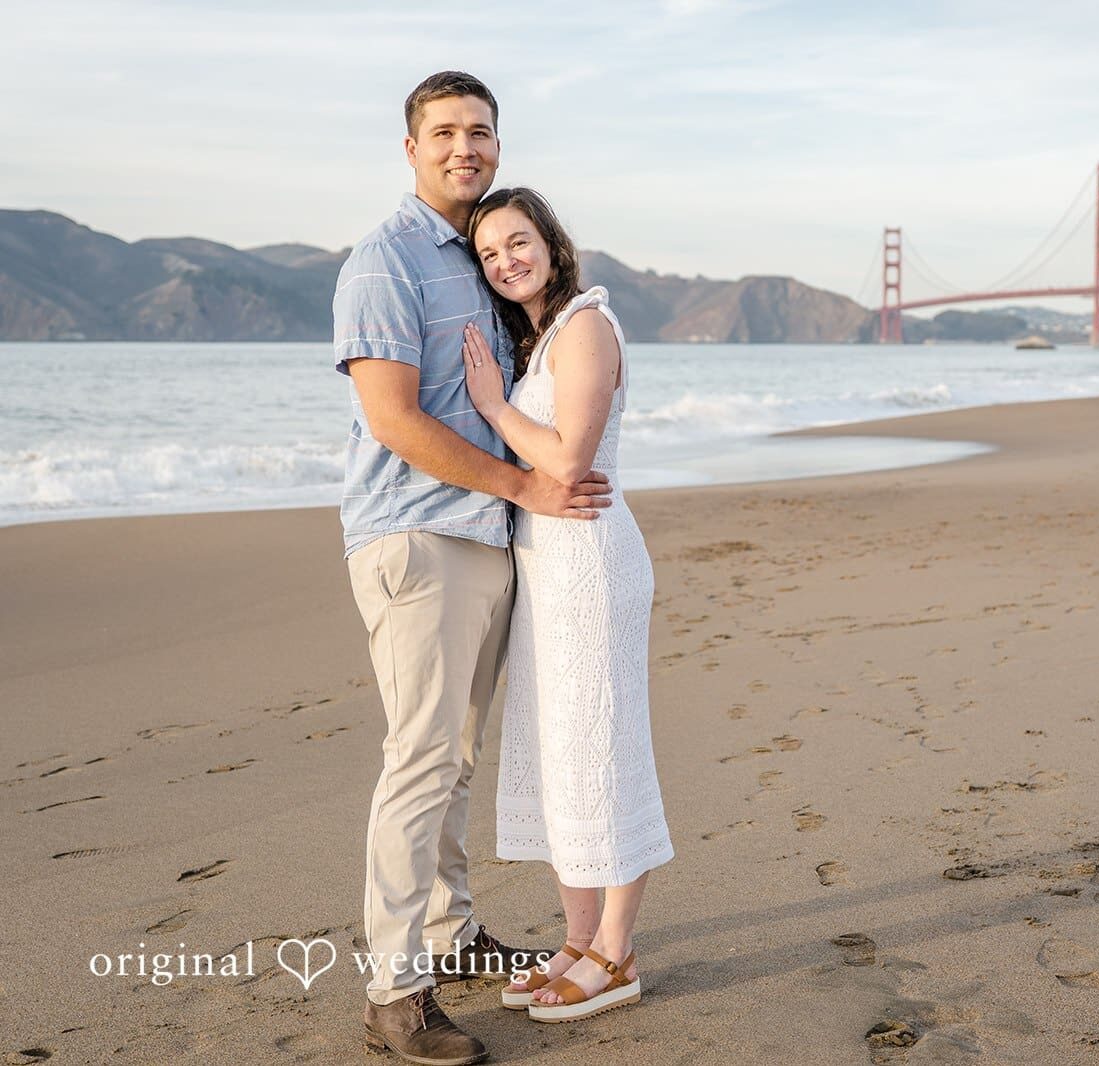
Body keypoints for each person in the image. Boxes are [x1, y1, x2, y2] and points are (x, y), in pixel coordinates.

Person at [335, 71, 613, 1066]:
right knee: (419, 762)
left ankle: (450, 937)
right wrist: (526, 485)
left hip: (484, 540)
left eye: (481, 132)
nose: (466, 147)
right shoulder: (386, 258)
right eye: (445, 132)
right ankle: (395, 993)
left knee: (452, 758)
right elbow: (393, 418)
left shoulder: (483, 257)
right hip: (417, 535)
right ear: (410, 148)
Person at [459, 187, 674, 1023]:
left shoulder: (584, 325)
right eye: (489, 254)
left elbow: (567, 456)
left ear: (551, 242)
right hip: (549, 568)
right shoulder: (542, 335)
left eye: (518, 241)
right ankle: (580, 939)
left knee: (603, 748)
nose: (506, 260)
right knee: (559, 753)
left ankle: (616, 954)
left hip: (590, 561)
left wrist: (491, 406)